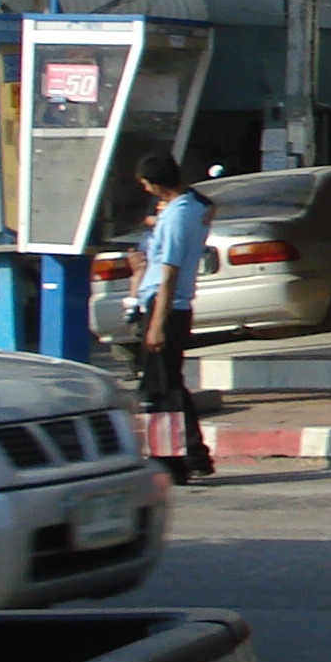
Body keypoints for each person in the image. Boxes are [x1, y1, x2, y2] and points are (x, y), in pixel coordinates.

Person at [130, 148, 213, 483]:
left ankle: (173, 460)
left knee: (159, 390)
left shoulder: (178, 217)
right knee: (170, 384)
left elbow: (170, 273)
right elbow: (208, 206)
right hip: (169, 304)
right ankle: (194, 455)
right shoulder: (193, 208)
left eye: (147, 185)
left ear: (157, 185)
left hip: (167, 305)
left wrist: (156, 324)